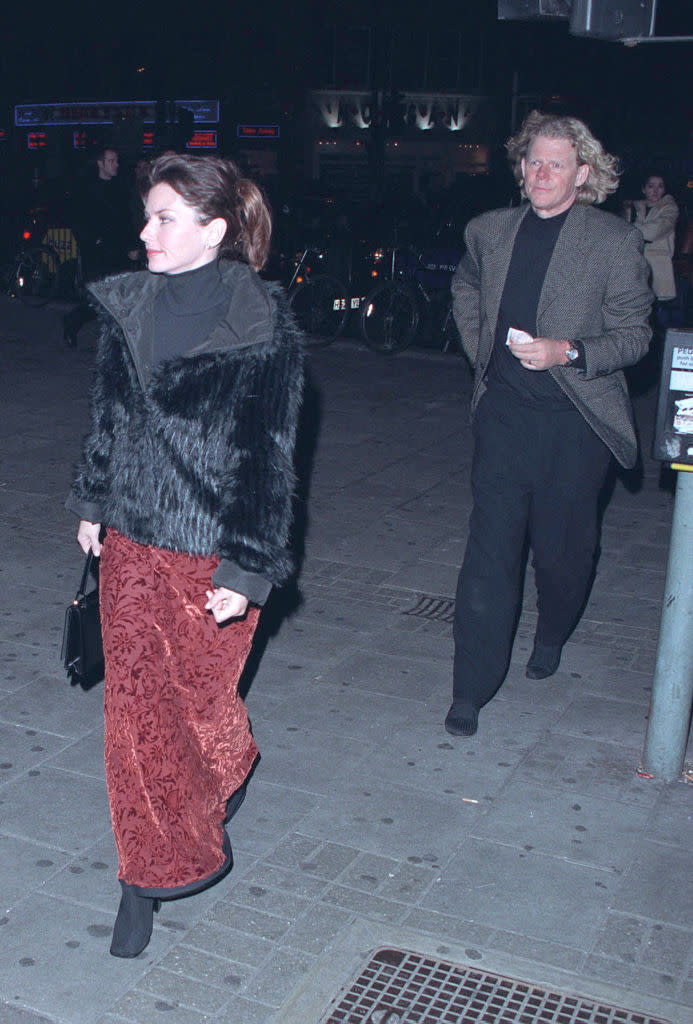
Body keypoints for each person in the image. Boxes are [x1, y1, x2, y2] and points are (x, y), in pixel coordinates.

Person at [66, 154, 304, 956]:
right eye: (147, 215)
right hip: (132, 536)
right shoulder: (127, 306)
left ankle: (228, 768)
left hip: (211, 551)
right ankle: (148, 875)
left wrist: (249, 568)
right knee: (136, 718)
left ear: (214, 229)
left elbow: (268, 460)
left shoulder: (261, 324)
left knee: (204, 706)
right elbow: (106, 416)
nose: (145, 232)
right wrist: (93, 502)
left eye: (164, 217)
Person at [446, 111, 652, 739]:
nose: (540, 173)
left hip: (574, 424)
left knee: (564, 555)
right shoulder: (490, 230)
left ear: (582, 174)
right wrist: (481, 345)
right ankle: (470, 689)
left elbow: (636, 334)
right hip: (505, 416)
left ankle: (554, 629)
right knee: (490, 552)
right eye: (533, 160)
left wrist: (568, 351)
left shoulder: (612, 242)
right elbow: (465, 285)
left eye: (555, 163)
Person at [623, 173, 678, 303]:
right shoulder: (634, 207)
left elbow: (655, 231)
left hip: (658, 263)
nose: (655, 191)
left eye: (660, 186)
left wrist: (631, 227)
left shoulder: (669, 208)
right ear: (644, 189)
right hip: (634, 260)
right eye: (651, 186)